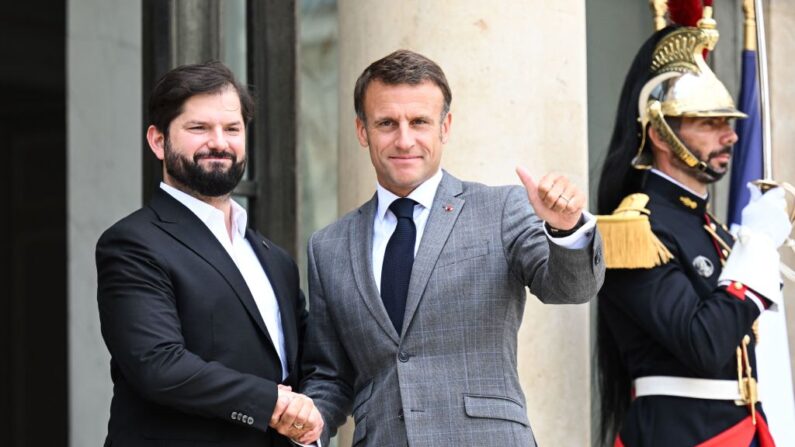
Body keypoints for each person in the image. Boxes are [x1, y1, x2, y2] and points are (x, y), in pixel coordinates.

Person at [298, 49, 604, 447]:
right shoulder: (329, 247)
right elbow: (331, 376)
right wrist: (307, 428)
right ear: (362, 131)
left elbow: (570, 289)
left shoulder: (501, 209)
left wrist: (565, 230)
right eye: (387, 123)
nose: (404, 140)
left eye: (419, 122)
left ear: (445, 127)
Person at [96, 61, 322, 446]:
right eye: (198, 128)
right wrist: (271, 403)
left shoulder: (274, 259)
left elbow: (310, 364)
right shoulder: (132, 244)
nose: (219, 142)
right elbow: (158, 364)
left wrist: (314, 416)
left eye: (232, 129)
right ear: (157, 141)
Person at [595, 15, 792, 447]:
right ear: (662, 135)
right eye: (710, 123)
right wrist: (756, 246)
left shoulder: (712, 230)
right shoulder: (635, 232)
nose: (731, 136)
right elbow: (704, 343)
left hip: (745, 431)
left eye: (729, 122)